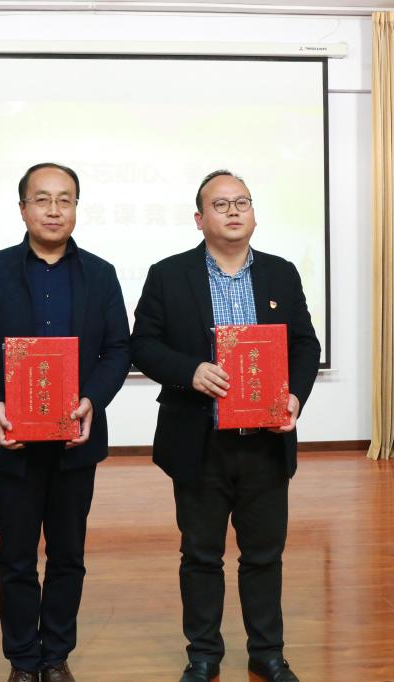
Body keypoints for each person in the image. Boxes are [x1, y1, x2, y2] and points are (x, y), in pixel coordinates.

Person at [130, 170, 320, 682]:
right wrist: (189, 371)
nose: (234, 211)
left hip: (265, 442)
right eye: (221, 204)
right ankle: (204, 654)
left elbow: (305, 344)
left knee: (264, 554)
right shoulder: (168, 274)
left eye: (242, 202)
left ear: (253, 213)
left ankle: (268, 652)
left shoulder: (281, 273)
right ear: (199, 219)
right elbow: (142, 345)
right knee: (200, 554)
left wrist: (295, 397)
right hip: (200, 441)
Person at [0, 162, 131, 682]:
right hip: (12, 441)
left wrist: (93, 399)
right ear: (23, 208)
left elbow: (119, 349)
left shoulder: (101, 274)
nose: (54, 210)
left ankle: (56, 657)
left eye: (64, 199)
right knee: (17, 557)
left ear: (76, 208)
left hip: (76, 441)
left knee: (69, 556)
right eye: (42, 199)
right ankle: (24, 660)